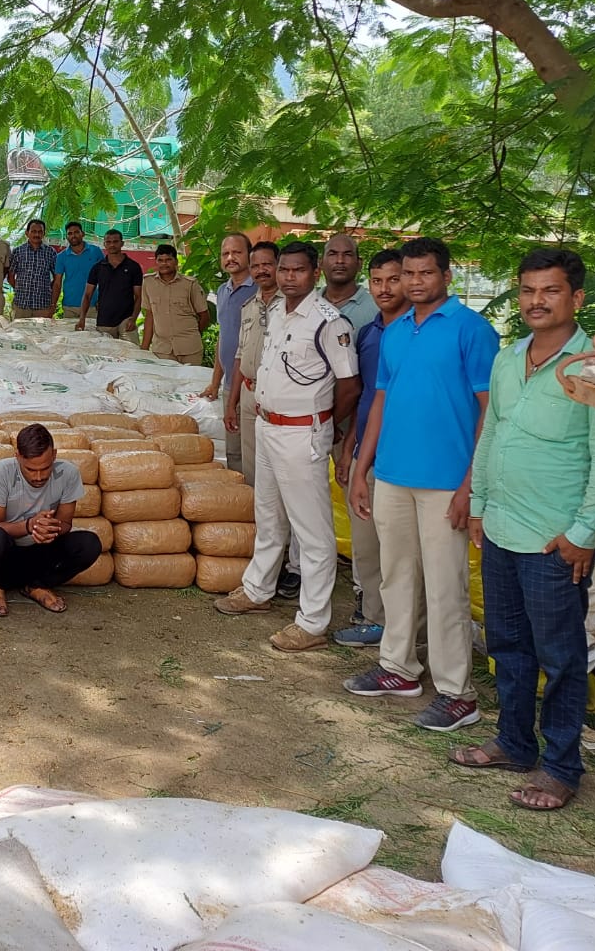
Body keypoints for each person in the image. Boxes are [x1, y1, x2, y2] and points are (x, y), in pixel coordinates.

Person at [450, 248, 595, 811]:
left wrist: (585, 530)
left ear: (576, 299)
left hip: (555, 541)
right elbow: (492, 434)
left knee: (560, 658)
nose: (535, 301)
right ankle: (513, 742)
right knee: (508, 645)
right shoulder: (508, 360)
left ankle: (560, 767)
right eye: (528, 290)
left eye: (549, 291)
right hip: (502, 528)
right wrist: (479, 504)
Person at [345, 237, 499, 732]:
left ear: (446, 276)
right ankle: (399, 669)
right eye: (407, 274)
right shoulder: (395, 332)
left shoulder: (472, 331)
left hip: (446, 483)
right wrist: (361, 468)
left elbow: (489, 411)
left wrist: (470, 484)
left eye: (424, 274)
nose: (414, 282)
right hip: (392, 476)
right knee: (397, 576)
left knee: (445, 587)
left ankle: (457, 692)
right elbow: (380, 402)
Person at [211, 242, 359, 652]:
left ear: (315, 273)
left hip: (302, 433)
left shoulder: (330, 323)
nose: (289, 277)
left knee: (312, 530)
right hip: (268, 426)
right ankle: (257, 589)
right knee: (268, 514)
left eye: (298, 270)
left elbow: (350, 385)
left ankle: (313, 621)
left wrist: (323, 419)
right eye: (284, 270)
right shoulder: (275, 312)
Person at [333, 248, 407, 647]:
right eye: (377, 281)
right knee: (367, 546)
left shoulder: (418, 333)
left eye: (393, 280)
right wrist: (350, 453)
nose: (384, 289)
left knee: (401, 553)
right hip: (366, 453)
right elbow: (364, 396)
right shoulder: (369, 333)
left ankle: (406, 629)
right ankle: (373, 618)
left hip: (406, 459)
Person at [0, 424, 101, 617]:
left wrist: (50, 530)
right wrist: (30, 525)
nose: (39, 476)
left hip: (36, 555)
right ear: (18, 457)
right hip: (0, 558)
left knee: (89, 543)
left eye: (45, 468)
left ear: (54, 455)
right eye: (31, 469)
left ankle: (37, 585)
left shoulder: (68, 474)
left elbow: (65, 523)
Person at [222, 240, 279, 487]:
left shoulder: (290, 306)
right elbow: (238, 355)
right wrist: (232, 400)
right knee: (246, 460)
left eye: (268, 264)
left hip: (276, 395)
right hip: (245, 388)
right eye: (256, 265)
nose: (261, 270)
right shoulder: (249, 306)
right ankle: (248, 513)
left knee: (271, 463)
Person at [201, 233, 257, 474]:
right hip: (228, 384)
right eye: (225, 254)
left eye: (237, 252)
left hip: (251, 384)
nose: (230, 258)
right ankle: (238, 501)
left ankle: (256, 503)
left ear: (249, 255)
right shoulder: (223, 291)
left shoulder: (260, 289)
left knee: (252, 449)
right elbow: (224, 337)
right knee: (233, 448)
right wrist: (215, 382)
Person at [140, 243, 211, 363]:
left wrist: (191, 336)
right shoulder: (148, 283)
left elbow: (204, 316)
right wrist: (144, 348)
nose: (164, 264)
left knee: (191, 380)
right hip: (162, 350)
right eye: (160, 260)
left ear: (176, 262)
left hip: (190, 349)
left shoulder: (190, 284)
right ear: (156, 262)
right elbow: (150, 315)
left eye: (168, 260)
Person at [75, 229, 142, 342]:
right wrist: (82, 319)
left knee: (132, 354)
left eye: (115, 241)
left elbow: (138, 296)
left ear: (122, 243)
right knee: (105, 356)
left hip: (126, 320)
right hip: (104, 321)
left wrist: (133, 319)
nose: (112, 245)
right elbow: (87, 295)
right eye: (108, 242)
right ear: (104, 244)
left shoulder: (133, 267)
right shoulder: (98, 268)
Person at [320, 233, 377, 332]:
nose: (340, 260)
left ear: (359, 264)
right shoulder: (307, 305)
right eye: (333, 254)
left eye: (347, 255)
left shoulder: (377, 308)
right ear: (320, 263)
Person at [54, 220, 104, 323]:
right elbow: (57, 283)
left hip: (92, 306)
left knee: (93, 338)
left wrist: (102, 300)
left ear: (83, 233)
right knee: (70, 338)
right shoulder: (61, 257)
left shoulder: (96, 252)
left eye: (76, 232)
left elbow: (105, 278)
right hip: (70, 306)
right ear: (67, 236)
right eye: (70, 233)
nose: (73, 236)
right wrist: (53, 304)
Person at [8, 218, 59, 317]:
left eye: (40, 232)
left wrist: (48, 291)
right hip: (21, 306)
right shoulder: (18, 251)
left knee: (41, 332)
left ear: (44, 234)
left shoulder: (50, 252)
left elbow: (57, 278)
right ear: (27, 233)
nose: (37, 235)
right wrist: (20, 289)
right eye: (33, 231)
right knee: (19, 332)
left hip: (43, 306)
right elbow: (10, 277)